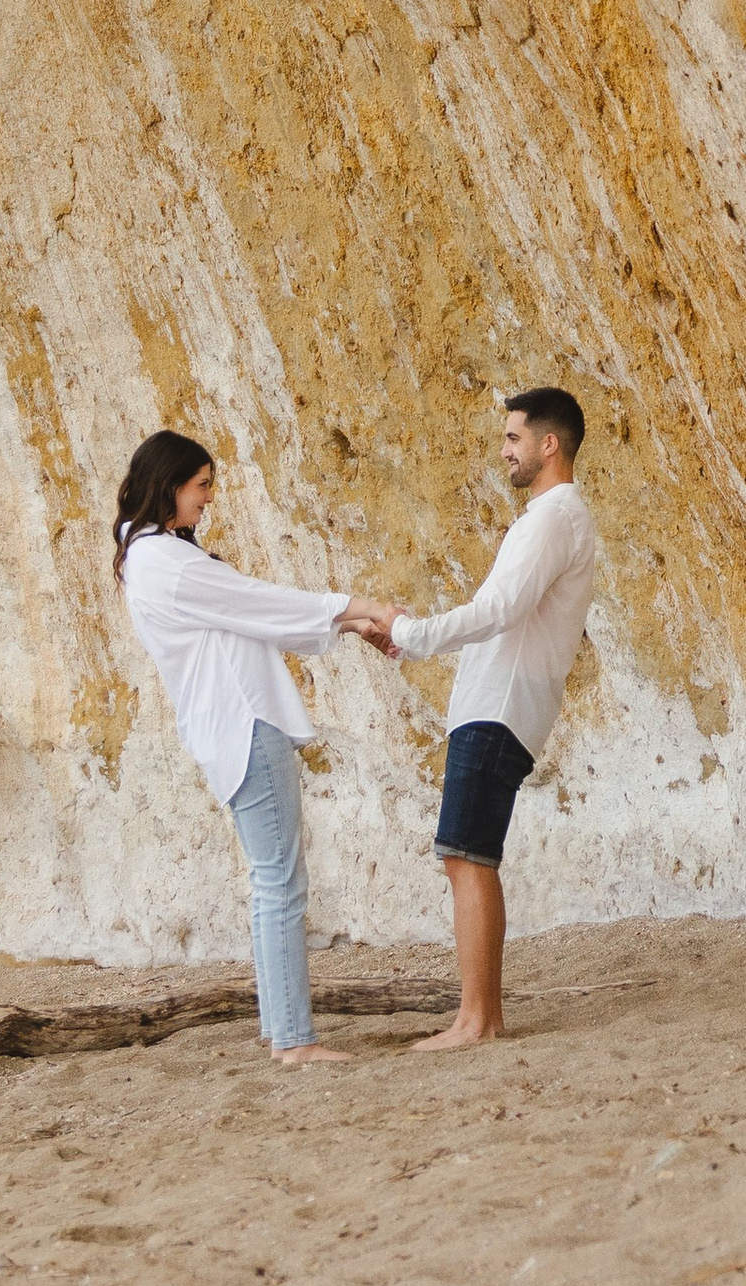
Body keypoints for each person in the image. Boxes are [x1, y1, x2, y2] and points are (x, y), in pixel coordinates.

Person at [114, 428, 392, 1066]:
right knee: (280, 882)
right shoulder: (163, 559)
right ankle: (294, 1039)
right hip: (245, 725)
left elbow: (250, 622)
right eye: (201, 485)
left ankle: (281, 1030)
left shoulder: (152, 556)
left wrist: (350, 624)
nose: (209, 498)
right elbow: (258, 602)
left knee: (273, 881)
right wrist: (361, 605)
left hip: (231, 727)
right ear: (168, 484)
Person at [377, 387, 598, 1050]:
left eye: (513, 437)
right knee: (466, 856)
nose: (504, 450)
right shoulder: (552, 518)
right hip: (495, 707)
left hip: (500, 711)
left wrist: (412, 634)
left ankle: (476, 1021)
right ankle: (483, 1017)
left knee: (468, 858)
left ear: (548, 444)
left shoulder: (554, 518)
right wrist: (401, 640)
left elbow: (499, 610)